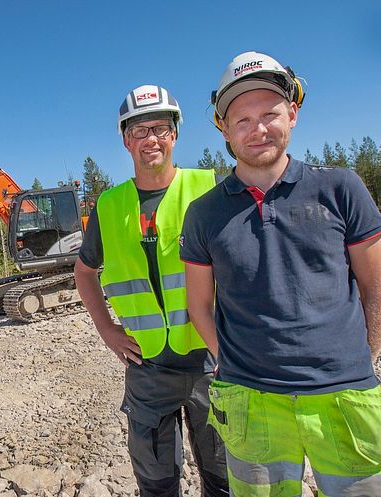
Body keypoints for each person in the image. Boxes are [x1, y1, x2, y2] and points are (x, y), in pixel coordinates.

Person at [180, 51, 381, 496]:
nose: (258, 129)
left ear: (293, 114)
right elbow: (198, 304)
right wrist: (226, 360)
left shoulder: (340, 187)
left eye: (269, 114)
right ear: (224, 130)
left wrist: (361, 360)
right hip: (250, 400)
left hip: (346, 398)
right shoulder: (204, 213)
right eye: (242, 120)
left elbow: (379, 286)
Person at [74, 85, 229, 497]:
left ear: (175, 134)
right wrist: (107, 330)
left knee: (225, 477)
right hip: (147, 369)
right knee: (157, 484)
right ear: (126, 140)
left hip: (211, 363)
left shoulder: (210, 189)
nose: (151, 140)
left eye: (160, 128)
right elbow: (84, 272)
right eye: (139, 131)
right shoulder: (109, 206)